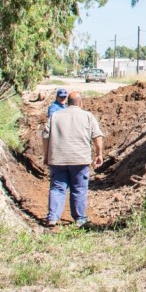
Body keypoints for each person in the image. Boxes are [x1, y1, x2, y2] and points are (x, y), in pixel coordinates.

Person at [43, 91, 104, 227]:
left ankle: (52, 217)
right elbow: (97, 136)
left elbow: (45, 136)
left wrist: (46, 155)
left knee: (57, 188)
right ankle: (79, 219)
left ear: (68, 103)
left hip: (58, 158)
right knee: (79, 189)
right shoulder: (88, 116)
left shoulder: (55, 116)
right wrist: (99, 154)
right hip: (80, 159)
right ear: (80, 103)